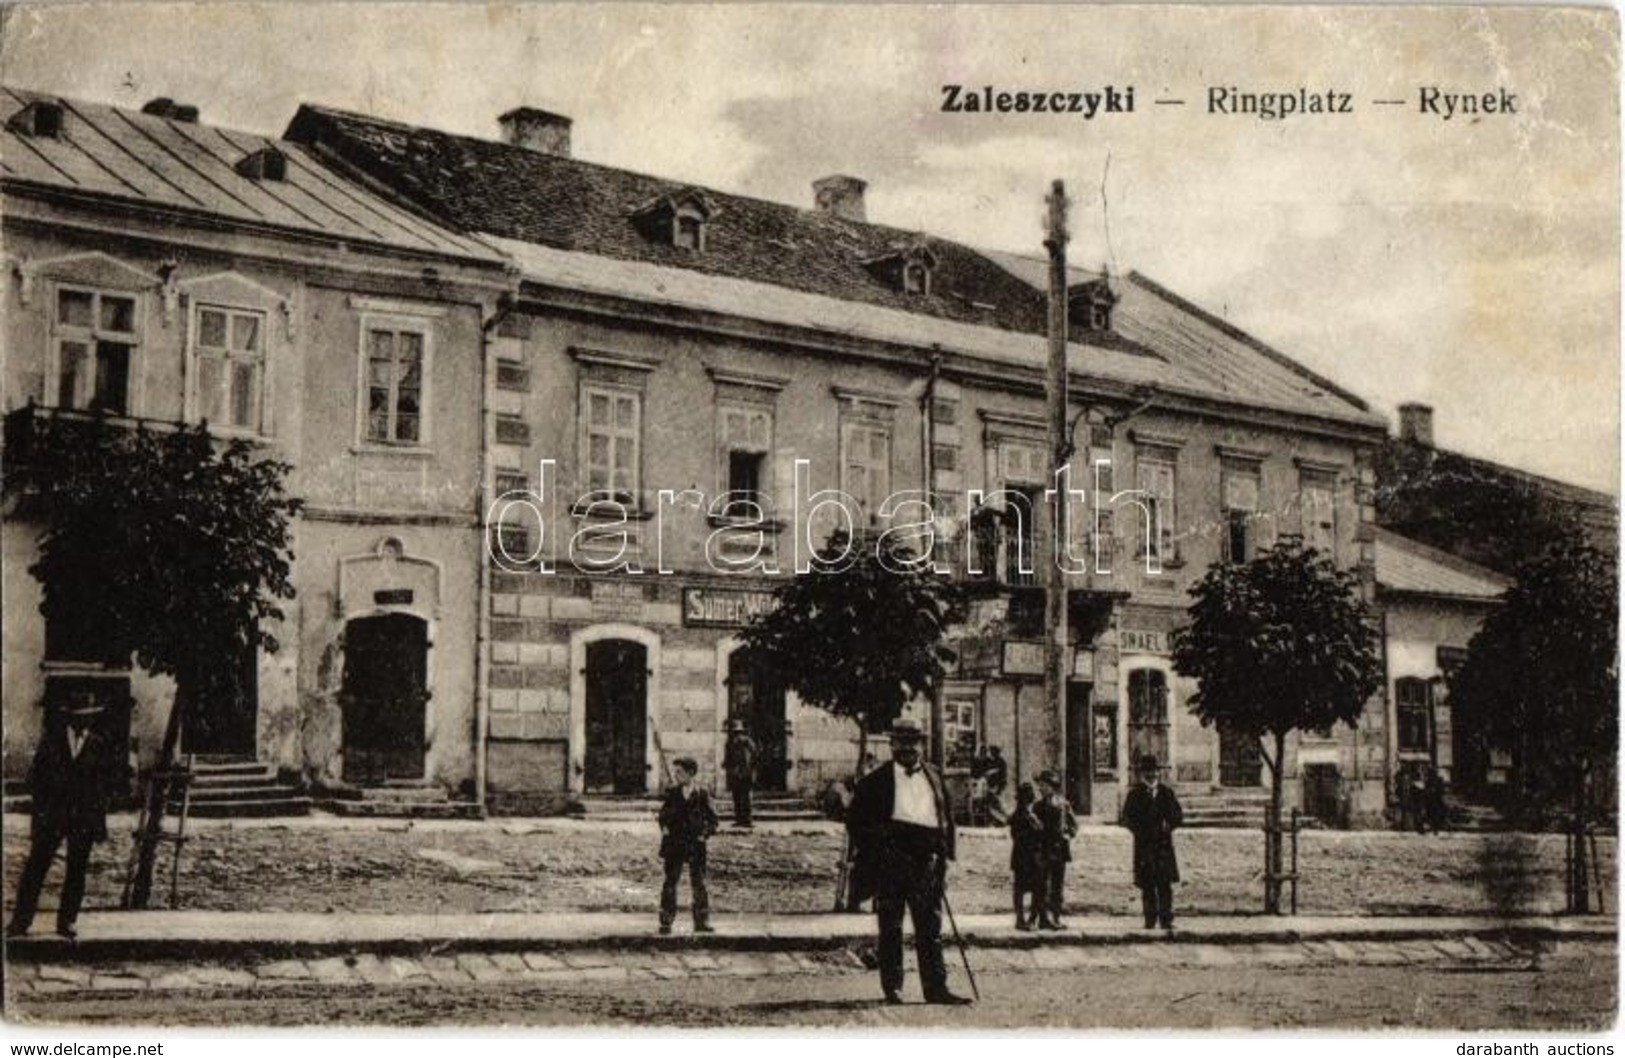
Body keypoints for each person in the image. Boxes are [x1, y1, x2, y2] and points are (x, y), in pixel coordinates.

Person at [846, 718, 972, 1005]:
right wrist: (881, 848)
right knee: (891, 928)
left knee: (930, 929)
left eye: (913, 742)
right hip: (892, 862)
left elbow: (947, 818)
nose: (908, 748)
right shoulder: (874, 782)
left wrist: (946, 856)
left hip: (926, 863)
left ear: (922, 745)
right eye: (901, 742)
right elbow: (856, 823)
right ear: (891, 745)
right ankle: (893, 988)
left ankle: (936, 988)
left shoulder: (935, 776)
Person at [7, 695, 117, 940]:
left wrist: (98, 823)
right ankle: (20, 922)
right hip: (54, 816)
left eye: (89, 716)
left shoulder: (99, 744)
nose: (85, 721)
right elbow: (36, 780)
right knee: (36, 867)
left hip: (83, 819)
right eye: (81, 716)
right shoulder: (52, 742)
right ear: (71, 718)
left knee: (77, 870)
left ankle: (67, 922)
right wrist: (41, 815)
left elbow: (103, 788)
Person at [1119, 753, 1183, 931]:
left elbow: (1178, 816)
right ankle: (1150, 920)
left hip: (1163, 846)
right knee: (1148, 885)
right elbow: (1126, 818)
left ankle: (1166, 919)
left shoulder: (1166, 793)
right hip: (1144, 846)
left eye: (1154, 771)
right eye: (1147, 772)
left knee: (1164, 885)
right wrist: (1140, 831)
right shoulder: (1135, 794)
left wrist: (1169, 825)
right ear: (1142, 774)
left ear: (1158, 773)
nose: (1151, 775)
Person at [657, 756, 719, 935]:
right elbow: (663, 815)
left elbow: (713, 820)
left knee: (699, 883)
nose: (676, 775)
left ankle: (701, 922)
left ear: (691, 773)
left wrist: (704, 834)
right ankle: (666, 921)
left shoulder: (702, 794)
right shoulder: (673, 793)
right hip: (675, 844)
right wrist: (665, 827)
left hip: (695, 845)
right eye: (675, 772)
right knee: (670, 882)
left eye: (680, 772)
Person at [1033, 769, 1078, 929]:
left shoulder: (1063, 804)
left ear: (1052, 787)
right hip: (1043, 849)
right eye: (1040, 786)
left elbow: (1073, 826)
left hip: (1059, 850)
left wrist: (1068, 834)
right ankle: (1044, 919)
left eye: (1044, 785)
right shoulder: (1037, 806)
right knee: (1043, 884)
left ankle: (1056, 918)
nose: (1041, 788)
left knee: (1057, 886)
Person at [1007, 781, 1044, 930]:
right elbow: (1032, 833)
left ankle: (1024, 919)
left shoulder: (1021, 815)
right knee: (1034, 889)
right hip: (1028, 857)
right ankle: (1026, 920)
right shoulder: (1024, 816)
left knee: (1022, 889)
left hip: (1022, 857)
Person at [722, 720, 758, 829]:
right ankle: (742, 820)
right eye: (736, 732)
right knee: (741, 797)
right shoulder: (732, 743)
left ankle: (743, 820)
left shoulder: (743, 742)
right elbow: (728, 759)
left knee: (741, 797)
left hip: (741, 774)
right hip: (740, 774)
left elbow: (754, 756)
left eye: (738, 732)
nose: (738, 735)